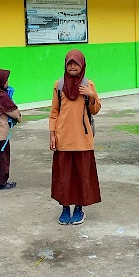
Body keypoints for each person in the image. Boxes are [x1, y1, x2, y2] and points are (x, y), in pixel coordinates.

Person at [49, 50, 101, 225]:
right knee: (64, 177)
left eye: (76, 63)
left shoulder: (88, 84)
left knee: (81, 176)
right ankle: (65, 208)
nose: (72, 66)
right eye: (69, 63)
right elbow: (54, 113)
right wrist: (52, 134)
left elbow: (95, 110)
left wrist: (92, 95)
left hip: (83, 140)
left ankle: (79, 209)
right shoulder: (58, 85)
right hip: (63, 139)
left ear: (82, 65)